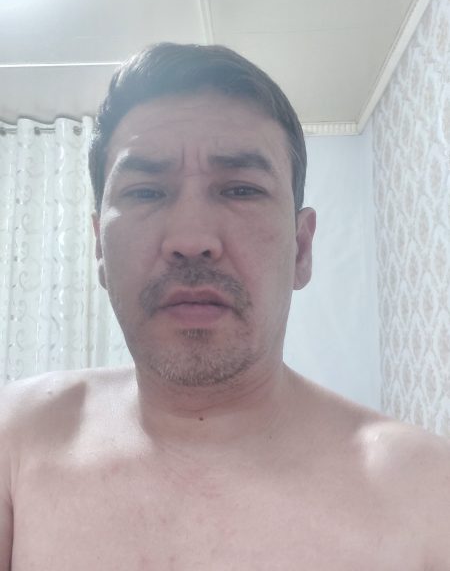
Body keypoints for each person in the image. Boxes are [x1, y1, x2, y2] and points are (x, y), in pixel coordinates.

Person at [0, 43, 449, 570]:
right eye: (146, 192)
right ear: (99, 247)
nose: (191, 240)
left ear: (301, 249)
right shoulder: (16, 440)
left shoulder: (427, 493)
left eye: (240, 189)